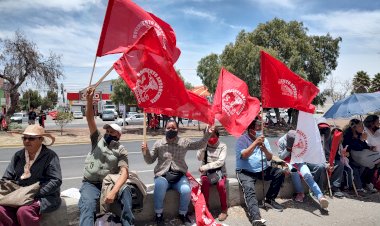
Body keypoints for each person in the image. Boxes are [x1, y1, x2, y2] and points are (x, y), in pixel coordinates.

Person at [78, 87, 134, 226]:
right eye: (107, 130)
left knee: (126, 191)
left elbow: (124, 173)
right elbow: (90, 118)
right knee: (88, 206)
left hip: (108, 184)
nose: (108, 133)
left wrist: (114, 191)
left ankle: (128, 223)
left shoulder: (121, 150)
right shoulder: (97, 140)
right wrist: (90, 100)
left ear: (119, 135)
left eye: (112, 131)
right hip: (90, 184)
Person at [141, 119, 214, 226]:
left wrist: (208, 133)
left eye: (173, 128)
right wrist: (145, 151)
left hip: (179, 177)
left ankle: (182, 214)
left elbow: (199, 144)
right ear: (165, 129)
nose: (171, 130)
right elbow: (149, 160)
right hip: (162, 175)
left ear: (177, 129)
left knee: (186, 190)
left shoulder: (183, 142)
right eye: (169, 128)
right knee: (160, 186)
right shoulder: (159, 143)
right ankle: (159, 215)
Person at [0, 124, 62, 226]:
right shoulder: (18, 156)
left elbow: (56, 181)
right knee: (1, 209)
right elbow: (6, 178)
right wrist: (14, 191)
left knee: (24, 211)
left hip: (44, 196)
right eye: (24, 138)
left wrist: (33, 194)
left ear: (41, 139)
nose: (27, 141)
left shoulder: (50, 156)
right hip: (19, 196)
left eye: (31, 138)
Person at [235, 117, 285, 226]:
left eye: (260, 128)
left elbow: (269, 158)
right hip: (245, 171)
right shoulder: (242, 140)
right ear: (250, 130)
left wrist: (264, 149)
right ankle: (256, 218)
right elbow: (243, 156)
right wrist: (255, 143)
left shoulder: (264, 140)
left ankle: (270, 200)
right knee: (249, 189)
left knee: (279, 173)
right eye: (257, 128)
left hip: (262, 169)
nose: (259, 131)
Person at [278, 130, 329, 208]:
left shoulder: (301, 139)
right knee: (294, 172)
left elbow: (307, 154)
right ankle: (300, 193)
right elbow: (281, 157)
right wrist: (288, 149)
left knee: (307, 175)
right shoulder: (281, 141)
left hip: (299, 161)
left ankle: (320, 196)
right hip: (287, 161)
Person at [197, 127, 228, 221]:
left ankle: (224, 209)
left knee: (221, 185)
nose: (211, 137)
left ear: (217, 135)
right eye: (208, 135)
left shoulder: (222, 146)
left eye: (213, 135)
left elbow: (220, 162)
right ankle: (206, 208)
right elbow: (199, 158)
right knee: (205, 184)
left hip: (219, 172)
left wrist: (205, 167)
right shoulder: (204, 144)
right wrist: (203, 146)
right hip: (206, 173)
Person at [342, 119, 379, 193]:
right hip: (349, 158)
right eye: (360, 126)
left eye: (362, 125)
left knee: (373, 163)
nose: (362, 127)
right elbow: (354, 147)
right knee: (369, 164)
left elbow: (363, 146)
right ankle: (364, 184)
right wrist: (361, 140)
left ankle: (367, 182)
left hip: (359, 157)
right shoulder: (347, 136)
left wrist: (370, 147)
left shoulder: (359, 134)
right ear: (354, 127)